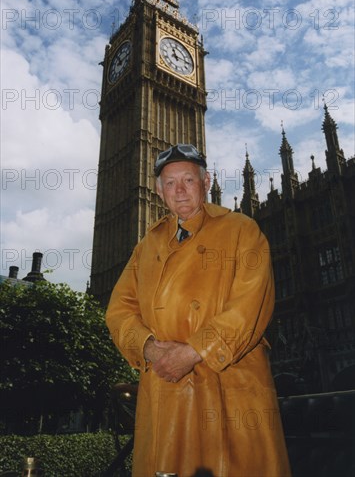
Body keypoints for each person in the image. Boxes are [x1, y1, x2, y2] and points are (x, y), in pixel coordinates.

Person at [106, 144, 291, 477]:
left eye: (189, 181)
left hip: (227, 391)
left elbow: (250, 306)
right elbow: (119, 310)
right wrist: (148, 346)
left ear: (206, 184)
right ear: (159, 192)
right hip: (164, 392)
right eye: (170, 183)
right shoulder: (146, 246)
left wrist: (193, 351)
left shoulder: (242, 230)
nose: (180, 190)